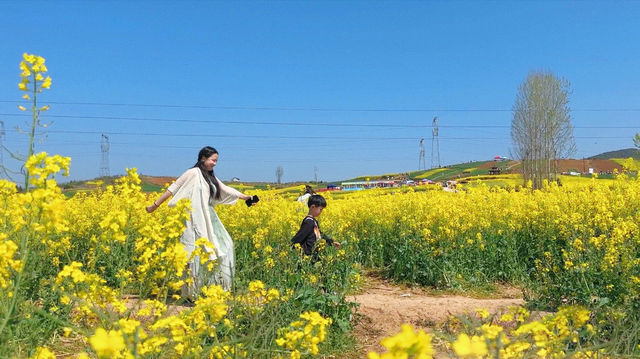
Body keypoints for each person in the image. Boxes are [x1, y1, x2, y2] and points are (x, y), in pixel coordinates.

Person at [146, 146, 255, 295]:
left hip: (209, 217)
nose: (215, 164)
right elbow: (173, 188)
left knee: (223, 246)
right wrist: (155, 205)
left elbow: (224, 189)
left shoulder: (210, 176)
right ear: (203, 158)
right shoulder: (192, 173)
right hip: (193, 219)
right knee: (195, 253)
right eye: (213, 160)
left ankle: (214, 287)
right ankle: (193, 292)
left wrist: (246, 198)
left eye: (216, 161)